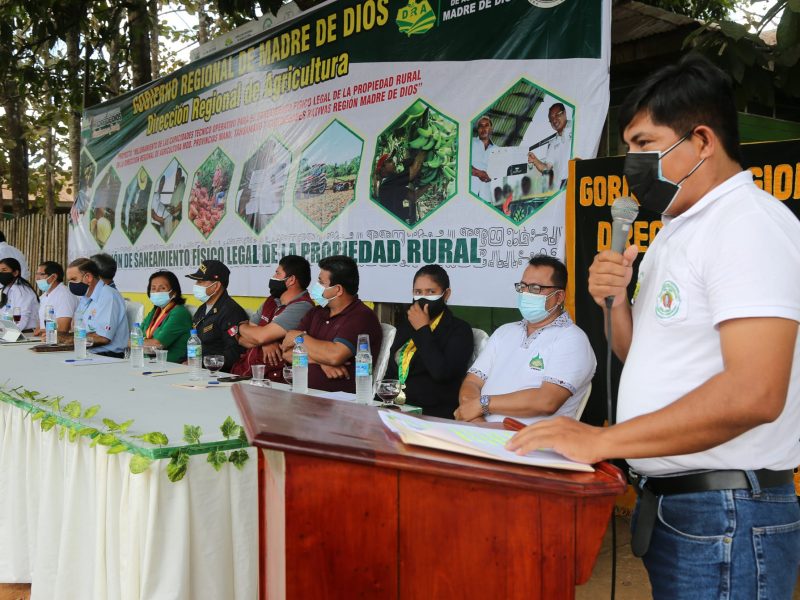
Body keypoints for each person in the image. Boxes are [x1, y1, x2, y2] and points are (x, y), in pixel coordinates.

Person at [507, 55, 800, 599]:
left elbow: (756, 393)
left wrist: (602, 439)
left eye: (645, 144)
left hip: (727, 513)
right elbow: (637, 354)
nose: (632, 164)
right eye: (628, 148)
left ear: (702, 140)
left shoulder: (746, 224)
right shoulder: (674, 230)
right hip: (679, 507)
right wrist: (616, 303)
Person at [455, 256, 595, 425]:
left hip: (530, 438)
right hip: (480, 431)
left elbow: (547, 402)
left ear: (559, 297)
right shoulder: (504, 332)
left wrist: (483, 404)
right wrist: (479, 422)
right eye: (523, 287)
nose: (526, 293)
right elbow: (472, 382)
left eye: (535, 288)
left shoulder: (571, 338)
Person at [281, 255, 383, 394]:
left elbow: (335, 356)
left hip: (339, 400)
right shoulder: (316, 312)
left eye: (321, 282)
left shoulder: (361, 316)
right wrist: (321, 362)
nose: (316, 287)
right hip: (302, 393)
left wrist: (299, 337)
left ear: (338, 289)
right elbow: (286, 352)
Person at [385, 265, 473, 418]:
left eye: (431, 292)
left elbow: (441, 373)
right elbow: (392, 371)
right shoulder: (407, 326)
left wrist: (422, 330)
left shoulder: (459, 330)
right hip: (396, 408)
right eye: (418, 292)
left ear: (446, 294)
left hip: (432, 414)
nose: (423, 297)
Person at [230, 255, 314, 381]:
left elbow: (258, 336)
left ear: (291, 280)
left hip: (274, 380)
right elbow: (244, 339)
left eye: (277, 273)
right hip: (245, 371)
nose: (273, 277)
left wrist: (240, 326)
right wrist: (265, 341)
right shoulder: (271, 300)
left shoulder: (302, 306)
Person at [186, 259, 247, 372]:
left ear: (216, 286)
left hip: (218, 374)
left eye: (200, 282)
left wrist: (202, 363)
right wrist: (185, 361)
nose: (196, 285)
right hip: (197, 369)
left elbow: (233, 353)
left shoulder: (231, 311)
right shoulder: (202, 309)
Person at [67, 257, 128, 357]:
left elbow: (103, 338)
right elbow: (76, 327)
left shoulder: (109, 296)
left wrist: (69, 340)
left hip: (107, 356)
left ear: (88, 277)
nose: (70, 284)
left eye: (73, 279)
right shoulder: (85, 297)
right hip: (86, 351)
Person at [141, 270, 192, 363]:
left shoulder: (179, 313)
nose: (156, 292)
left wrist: (137, 342)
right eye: (153, 288)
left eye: (162, 288)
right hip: (149, 362)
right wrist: (142, 342)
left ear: (174, 292)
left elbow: (157, 345)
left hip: (171, 366)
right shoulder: (155, 311)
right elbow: (137, 334)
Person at [528, 103, 573, 191]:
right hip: (562, 189)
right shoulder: (552, 143)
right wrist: (535, 161)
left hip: (579, 181)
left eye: (557, 115)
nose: (554, 120)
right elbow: (547, 168)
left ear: (564, 113)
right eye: (551, 119)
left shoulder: (577, 128)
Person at [374, 152, 427, 224]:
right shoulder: (389, 182)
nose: (393, 162)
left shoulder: (387, 185)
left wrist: (430, 183)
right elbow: (414, 170)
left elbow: (413, 196)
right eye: (389, 161)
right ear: (383, 169)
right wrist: (423, 152)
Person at [33, 261, 78, 335]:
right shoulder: (44, 296)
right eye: (37, 274)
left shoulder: (64, 295)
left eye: (41, 274)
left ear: (53, 277)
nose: (37, 278)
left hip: (59, 340)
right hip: (45, 338)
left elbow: (63, 329)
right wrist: (39, 329)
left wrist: (45, 331)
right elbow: (41, 325)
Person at [0, 258, 39, 331]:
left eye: (4, 270)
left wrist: (10, 334)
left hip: (26, 333)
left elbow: (21, 318)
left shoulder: (22, 291)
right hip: (11, 331)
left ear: (15, 273)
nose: (1, 273)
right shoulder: (7, 289)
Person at [470, 115, 495, 202]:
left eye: (486, 125)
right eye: (481, 126)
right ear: (478, 129)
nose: (483, 128)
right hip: (468, 193)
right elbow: (461, 162)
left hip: (487, 196)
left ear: (491, 129)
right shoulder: (470, 142)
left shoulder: (497, 150)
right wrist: (478, 173)